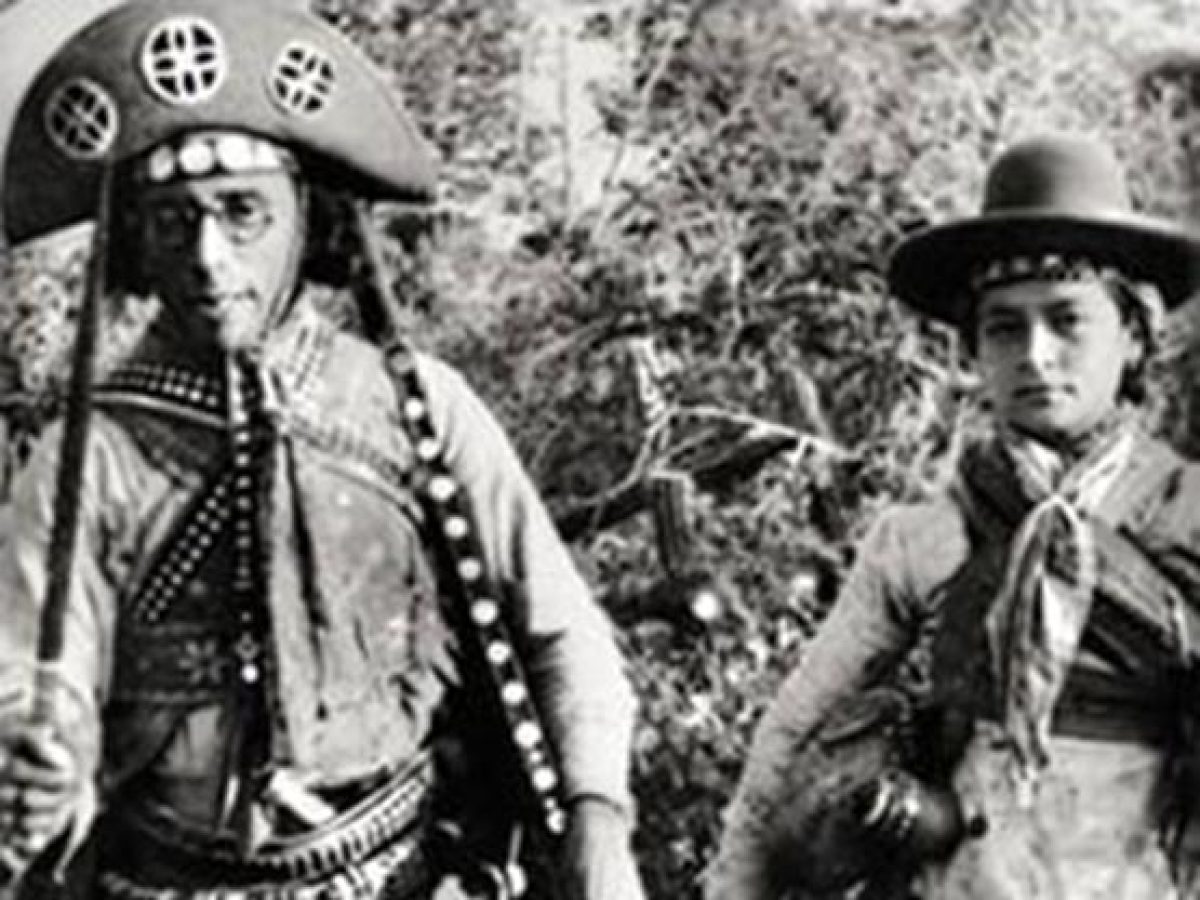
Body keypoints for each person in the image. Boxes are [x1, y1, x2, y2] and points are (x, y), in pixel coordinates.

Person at [0, 1, 646, 898]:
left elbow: (560, 632)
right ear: (138, 245)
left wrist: (598, 815)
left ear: (306, 223)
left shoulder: (417, 406)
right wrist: (40, 754)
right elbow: (30, 666)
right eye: (174, 222)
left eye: (242, 213)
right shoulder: (91, 455)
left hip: (411, 873)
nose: (209, 256)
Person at [705, 132, 1200, 900]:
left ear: (1132, 336)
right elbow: (796, 727)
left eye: (1067, 320)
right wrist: (736, 884)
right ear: (974, 351)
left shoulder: (1188, 515)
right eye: (1005, 327)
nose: (1035, 355)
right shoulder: (925, 540)